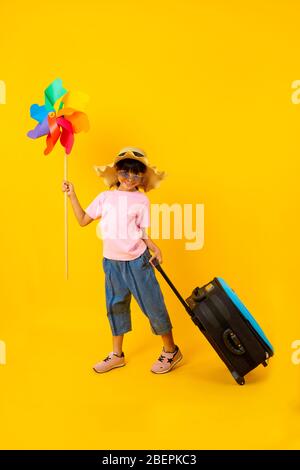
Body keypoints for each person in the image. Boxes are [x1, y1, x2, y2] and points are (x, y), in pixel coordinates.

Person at [62, 146, 182, 374]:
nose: (129, 178)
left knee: (152, 305)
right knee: (115, 306)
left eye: (135, 173)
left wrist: (155, 247)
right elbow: (82, 220)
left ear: (142, 177)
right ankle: (117, 355)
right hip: (112, 263)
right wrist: (72, 195)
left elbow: (142, 232)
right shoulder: (105, 197)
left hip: (138, 260)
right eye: (125, 172)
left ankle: (171, 350)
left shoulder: (141, 200)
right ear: (116, 172)